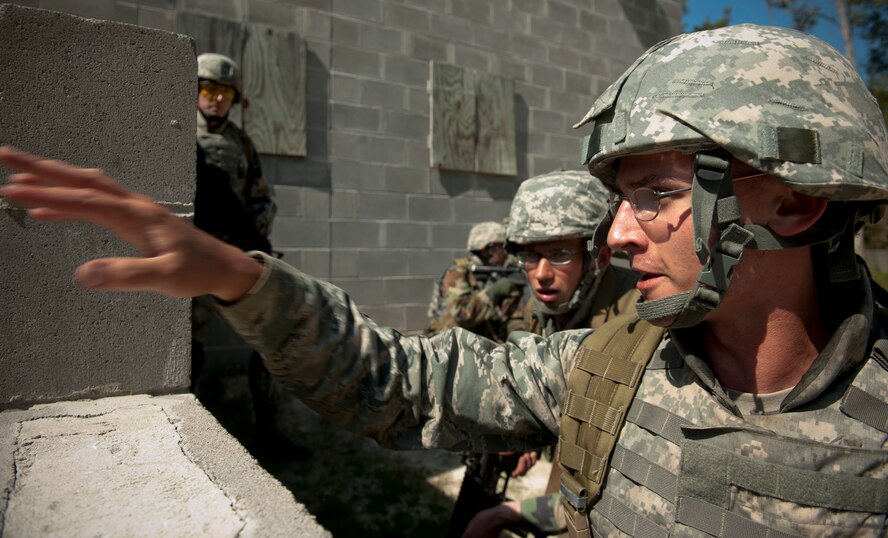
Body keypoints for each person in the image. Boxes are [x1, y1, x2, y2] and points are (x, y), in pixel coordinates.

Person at [4, 23, 888, 537]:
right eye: (619, 198)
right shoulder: (609, 366)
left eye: (658, 196)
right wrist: (239, 278)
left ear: (797, 206)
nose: (618, 235)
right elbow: (402, 380)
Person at [465, 170, 641, 537]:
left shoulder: (634, 322)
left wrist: (508, 514)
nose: (541, 274)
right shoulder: (541, 310)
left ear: (600, 257)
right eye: (530, 255)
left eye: (559, 254)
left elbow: (600, 490)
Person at [191, 52, 305, 459]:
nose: (216, 99)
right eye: (207, 89)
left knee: (269, 341)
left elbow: (261, 198)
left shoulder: (242, 143)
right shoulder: (177, 134)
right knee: (189, 351)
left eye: (224, 92)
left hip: (233, 254)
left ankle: (269, 433)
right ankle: (189, 440)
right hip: (193, 262)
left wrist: (252, 232)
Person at [426, 221, 526, 343]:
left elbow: (510, 316)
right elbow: (462, 314)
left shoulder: (498, 273)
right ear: (488, 250)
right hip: (450, 343)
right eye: (502, 247)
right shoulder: (458, 273)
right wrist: (493, 292)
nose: (507, 252)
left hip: (480, 342)